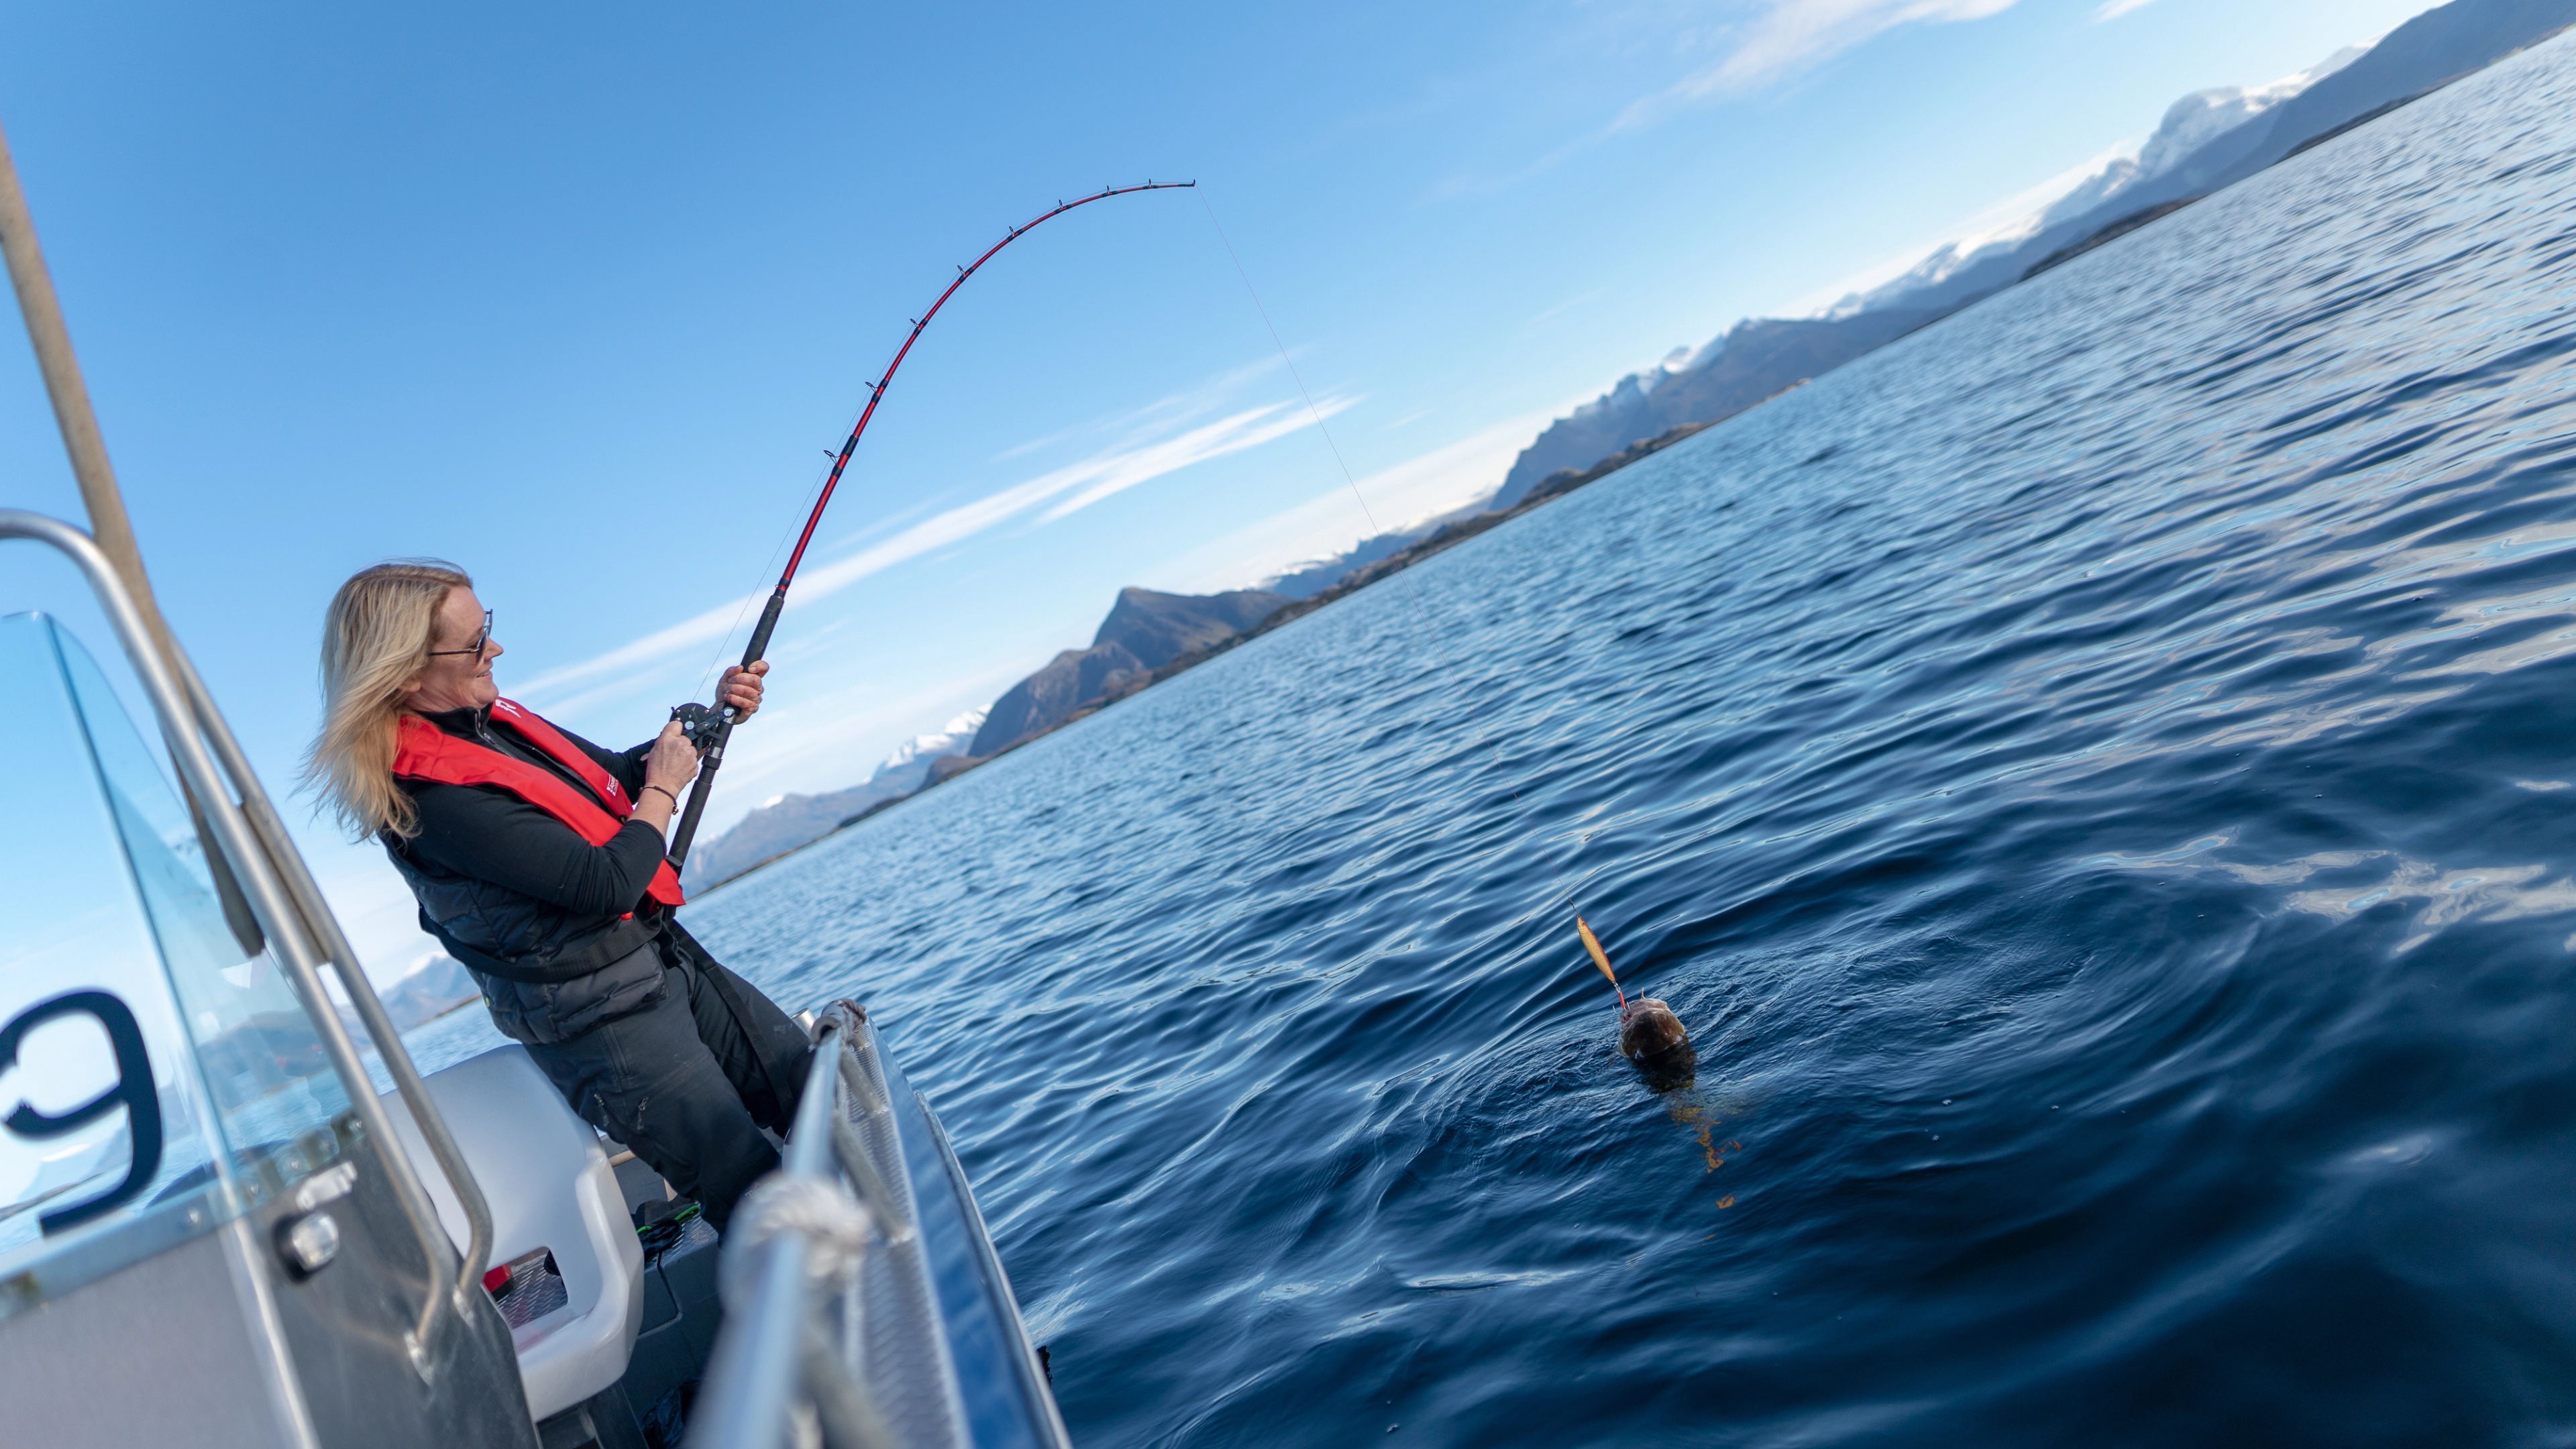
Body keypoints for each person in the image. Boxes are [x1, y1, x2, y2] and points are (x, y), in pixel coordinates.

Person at [305, 559, 811, 1230]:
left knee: (806, 1083)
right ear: (404, 674)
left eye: (487, 625)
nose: (496, 648)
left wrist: (708, 722)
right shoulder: (429, 799)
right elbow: (604, 883)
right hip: (607, 1028)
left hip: (659, 963)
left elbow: (615, 779)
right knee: (754, 1196)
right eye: (473, 642)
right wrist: (663, 789)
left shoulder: (489, 721)